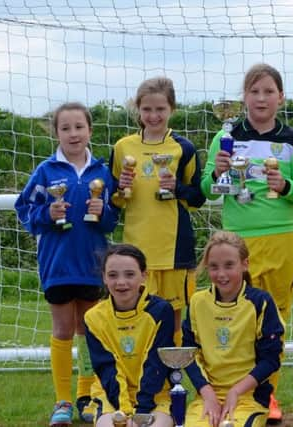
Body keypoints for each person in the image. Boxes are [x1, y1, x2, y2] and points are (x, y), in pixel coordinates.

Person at [200, 63, 293, 420]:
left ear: (280, 97)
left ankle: (268, 395)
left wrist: (286, 187)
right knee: (237, 322)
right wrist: (217, 171)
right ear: (244, 96)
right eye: (254, 91)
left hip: (280, 239)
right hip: (236, 243)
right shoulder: (226, 136)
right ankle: (229, 391)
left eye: (268, 91)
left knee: (273, 322)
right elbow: (205, 188)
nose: (261, 98)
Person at [14, 102, 119, 426]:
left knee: (89, 330)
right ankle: (62, 401)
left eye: (79, 127)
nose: (73, 134)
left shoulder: (102, 172)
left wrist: (103, 212)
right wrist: (48, 214)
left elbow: (111, 222)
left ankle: (86, 397)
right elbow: (24, 211)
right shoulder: (46, 172)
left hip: (91, 263)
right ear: (56, 132)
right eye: (65, 128)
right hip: (57, 265)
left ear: (90, 130)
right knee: (62, 330)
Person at [110, 76, 205, 345]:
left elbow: (197, 197)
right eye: (147, 109)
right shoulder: (123, 148)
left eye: (160, 109)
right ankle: (139, 379)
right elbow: (114, 200)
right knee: (136, 317)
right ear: (138, 109)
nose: (153, 116)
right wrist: (120, 188)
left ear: (172, 109)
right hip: (136, 251)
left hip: (174, 249)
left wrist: (177, 188)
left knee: (173, 320)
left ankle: (170, 383)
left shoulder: (183, 148)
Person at [182, 231, 285, 427]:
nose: (221, 274)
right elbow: (189, 354)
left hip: (248, 397)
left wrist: (236, 392)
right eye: (213, 267)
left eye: (229, 265)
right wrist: (207, 393)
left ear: (244, 264)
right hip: (208, 395)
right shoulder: (197, 302)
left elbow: (271, 359)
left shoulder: (260, 302)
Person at [85, 243, 174, 427]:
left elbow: (155, 365)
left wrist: (141, 412)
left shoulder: (161, 311)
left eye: (130, 274)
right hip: (112, 395)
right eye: (112, 275)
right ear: (104, 278)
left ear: (144, 275)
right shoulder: (93, 318)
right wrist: (124, 411)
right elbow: (107, 369)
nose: (121, 282)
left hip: (156, 394)